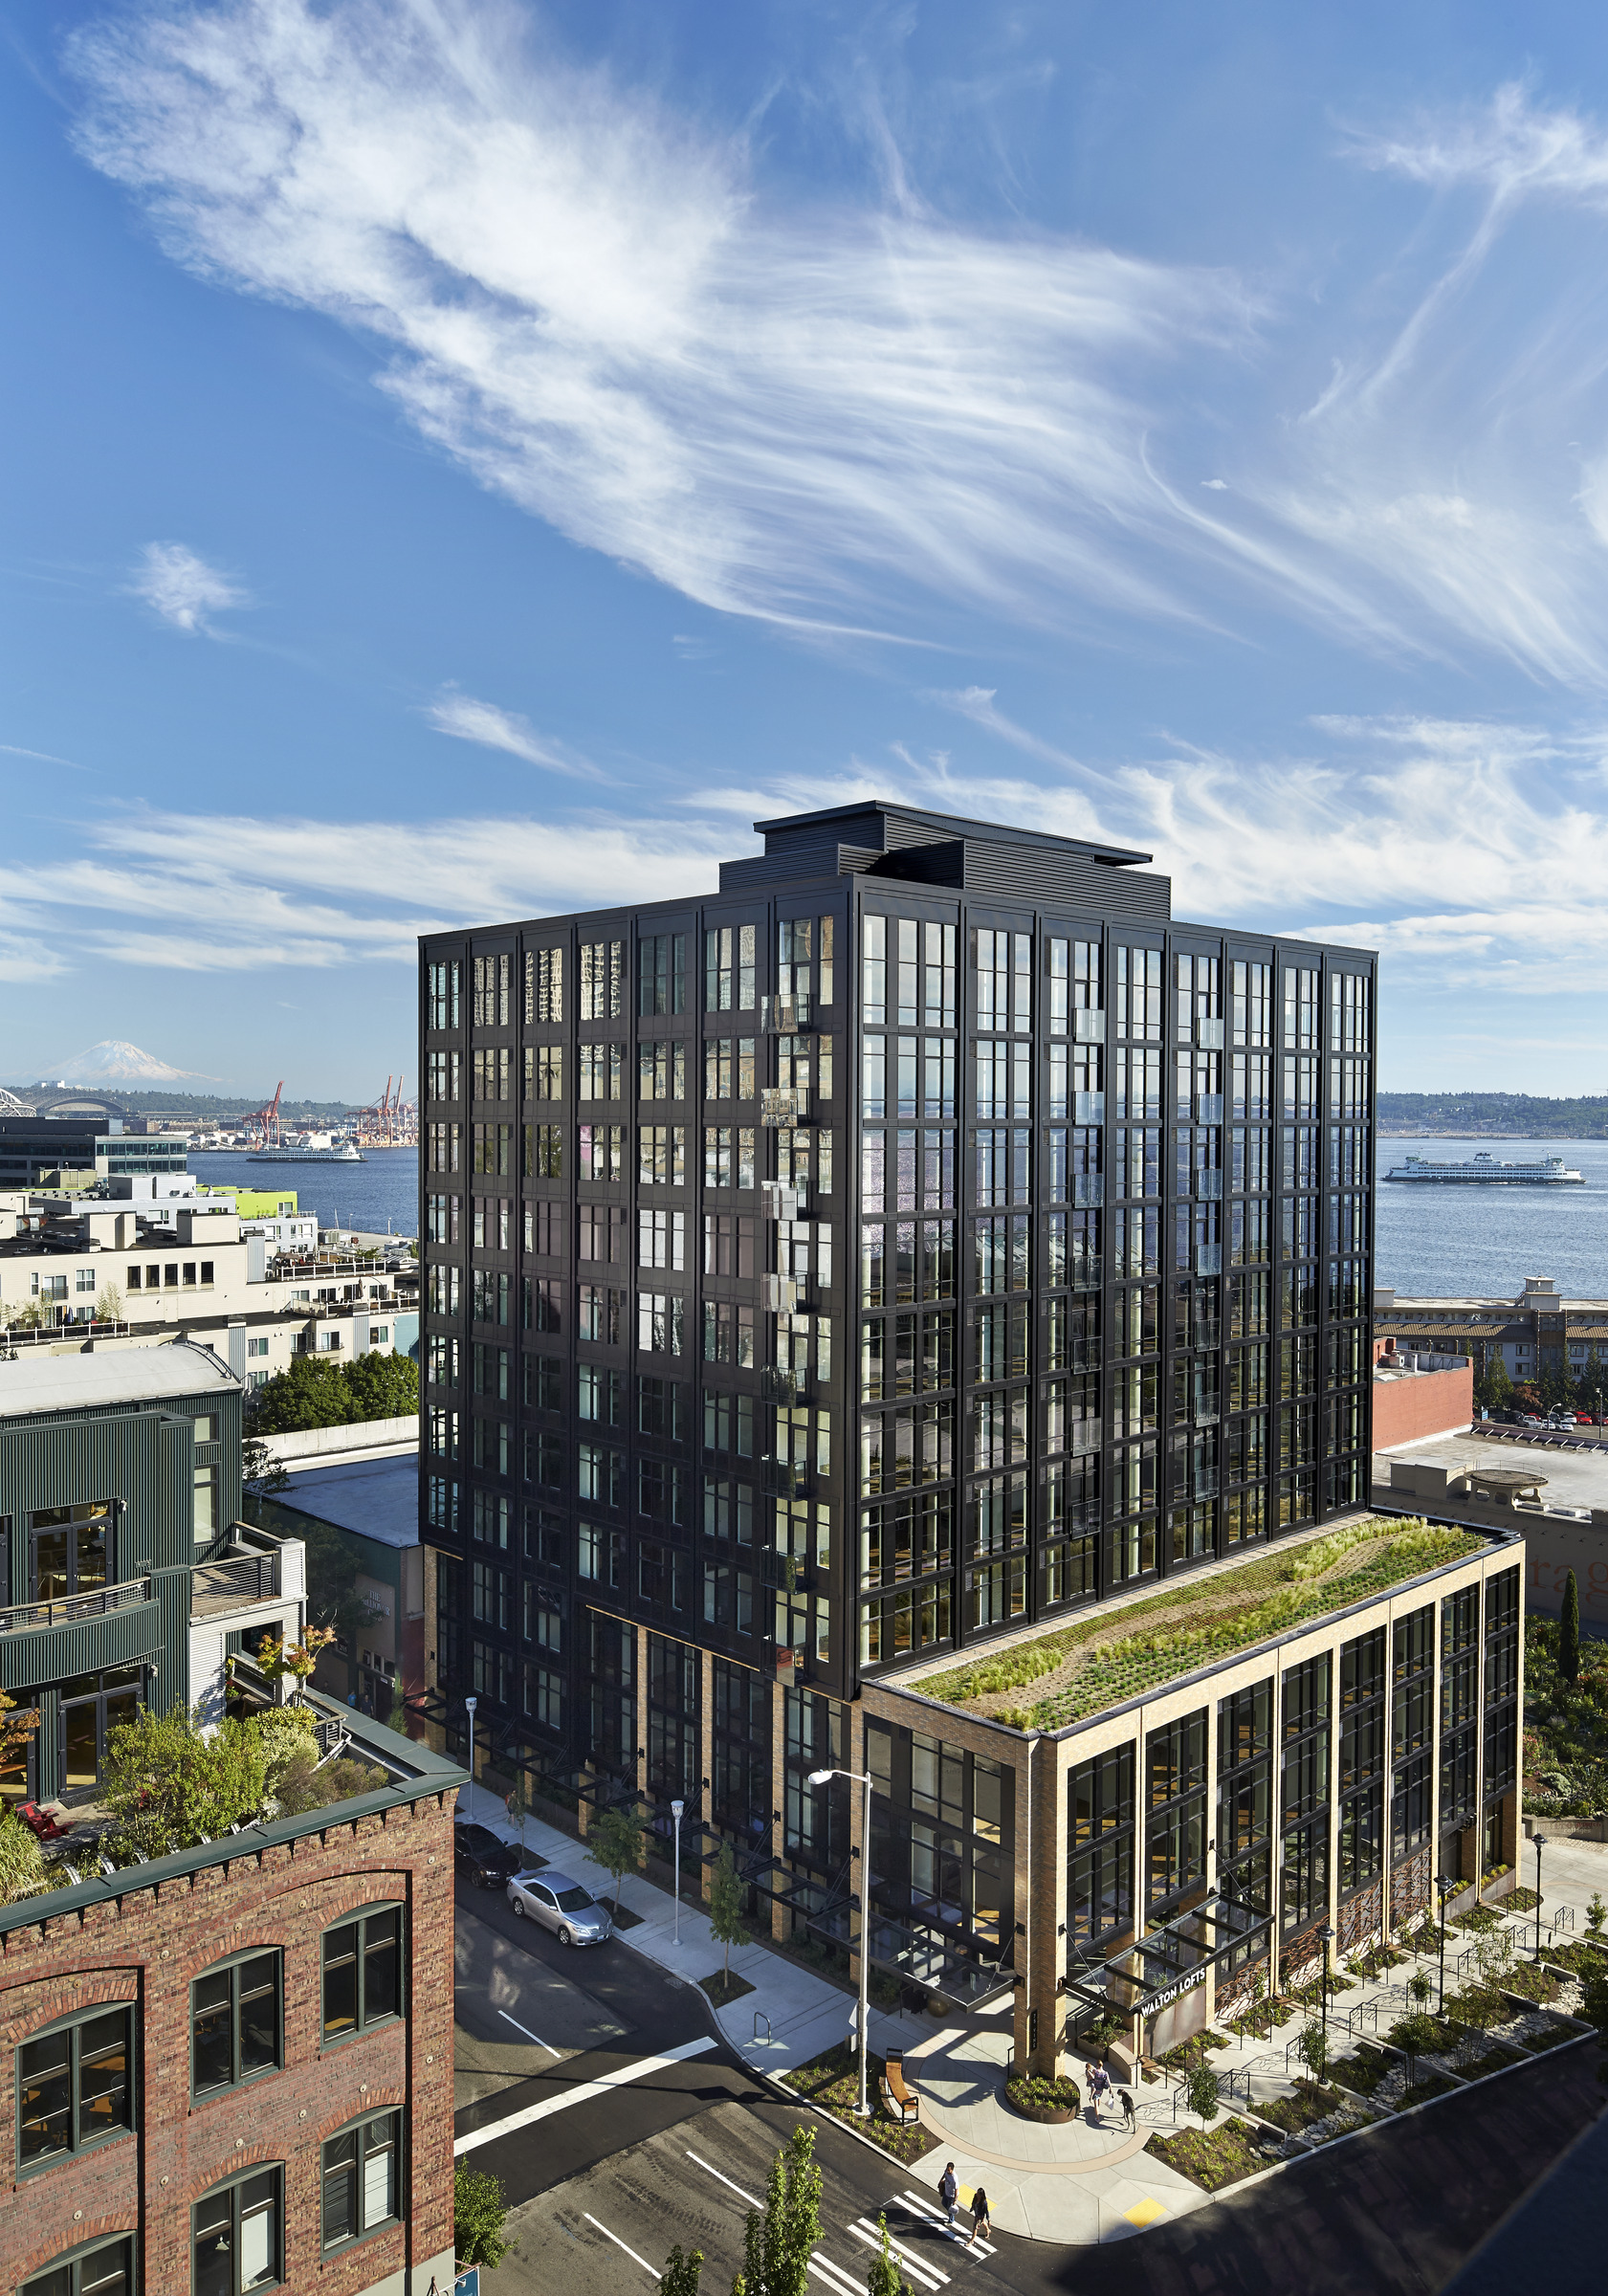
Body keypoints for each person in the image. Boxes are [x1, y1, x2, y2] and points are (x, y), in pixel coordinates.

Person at [938, 2163, 959, 2241]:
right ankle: (950, 2215)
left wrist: (955, 2200)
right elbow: (944, 2175)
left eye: (949, 2170)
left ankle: (951, 2220)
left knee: (949, 2208)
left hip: (951, 2196)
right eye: (947, 2169)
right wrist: (940, 2180)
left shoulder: (954, 2178)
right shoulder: (946, 2172)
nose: (947, 2171)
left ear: (952, 2170)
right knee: (944, 2203)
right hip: (946, 2192)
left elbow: (956, 2189)